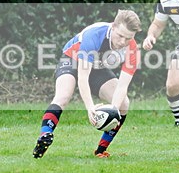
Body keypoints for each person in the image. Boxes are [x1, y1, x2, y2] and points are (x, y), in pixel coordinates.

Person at [34, 9, 141, 158]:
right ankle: (45, 135)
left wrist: (113, 111)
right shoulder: (95, 34)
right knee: (63, 96)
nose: (123, 42)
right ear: (113, 27)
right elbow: (83, 76)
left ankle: (100, 151)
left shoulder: (132, 49)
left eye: (128, 38)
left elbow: (123, 85)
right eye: (120, 36)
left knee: (124, 104)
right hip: (72, 60)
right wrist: (90, 107)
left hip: (98, 67)